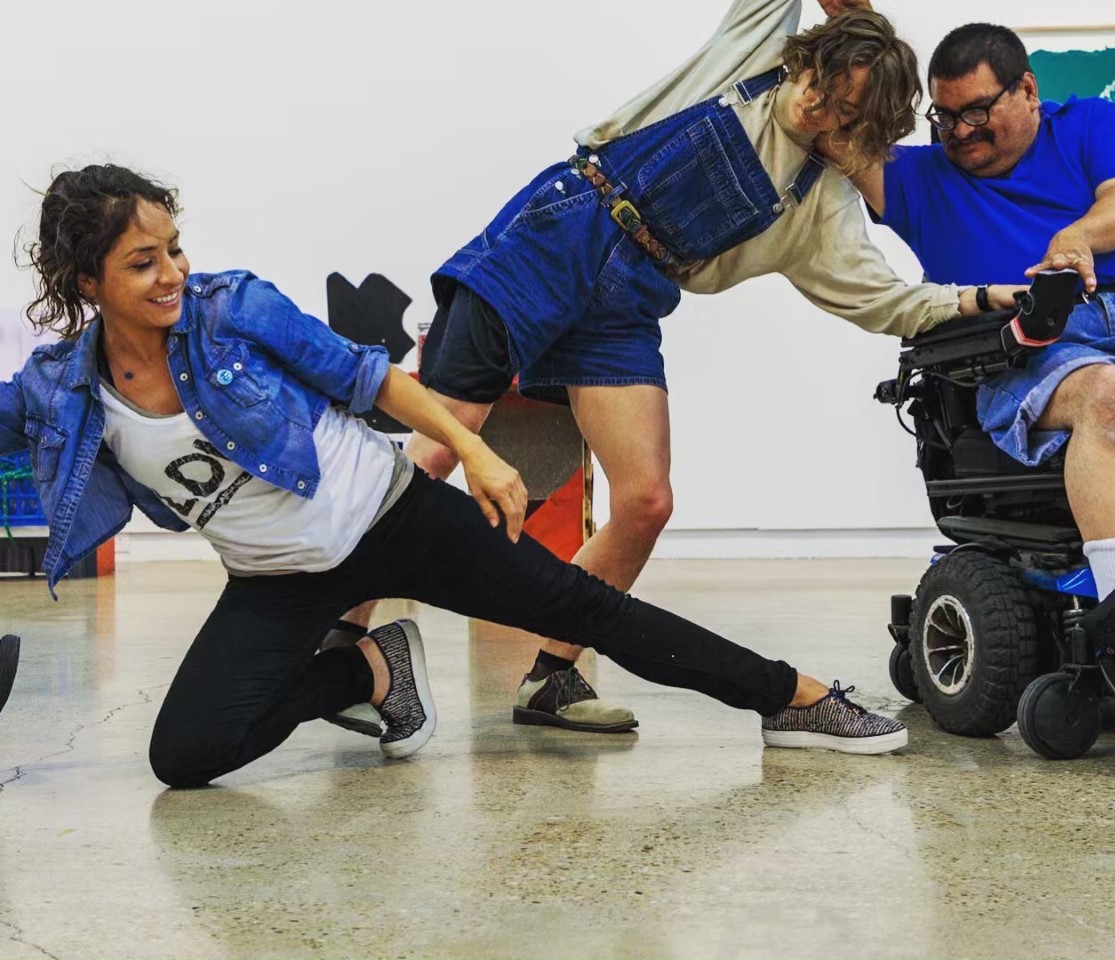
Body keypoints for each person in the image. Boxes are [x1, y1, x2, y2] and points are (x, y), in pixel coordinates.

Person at [334, 0, 1019, 735]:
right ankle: (340, 643)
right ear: (806, 56)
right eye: (818, 88)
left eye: (843, 116)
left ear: (862, 134)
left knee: (648, 499)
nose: (815, 110)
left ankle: (552, 675)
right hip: (562, 230)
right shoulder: (752, 52)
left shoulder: (822, 204)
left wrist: (985, 297)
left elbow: (887, 301)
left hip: (631, 295)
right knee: (439, 451)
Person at [0, 165, 920, 788]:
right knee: (187, 755)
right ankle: (371, 666)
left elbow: (374, 380)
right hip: (276, 579)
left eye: (172, 248)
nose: (171, 273)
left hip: (391, 516)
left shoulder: (229, 310)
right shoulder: (60, 388)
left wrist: (475, 451)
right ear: (86, 279)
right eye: (141, 262)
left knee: (584, 611)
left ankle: (795, 696)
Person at [804, 0, 1115, 735]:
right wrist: (853, 23)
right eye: (946, 118)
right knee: (1109, 397)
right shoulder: (920, 179)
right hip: (1027, 347)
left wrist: (1077, 239)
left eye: (977, 111)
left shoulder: (1088, 122)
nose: (960, 133)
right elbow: (840, 131)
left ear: (1027, 90)